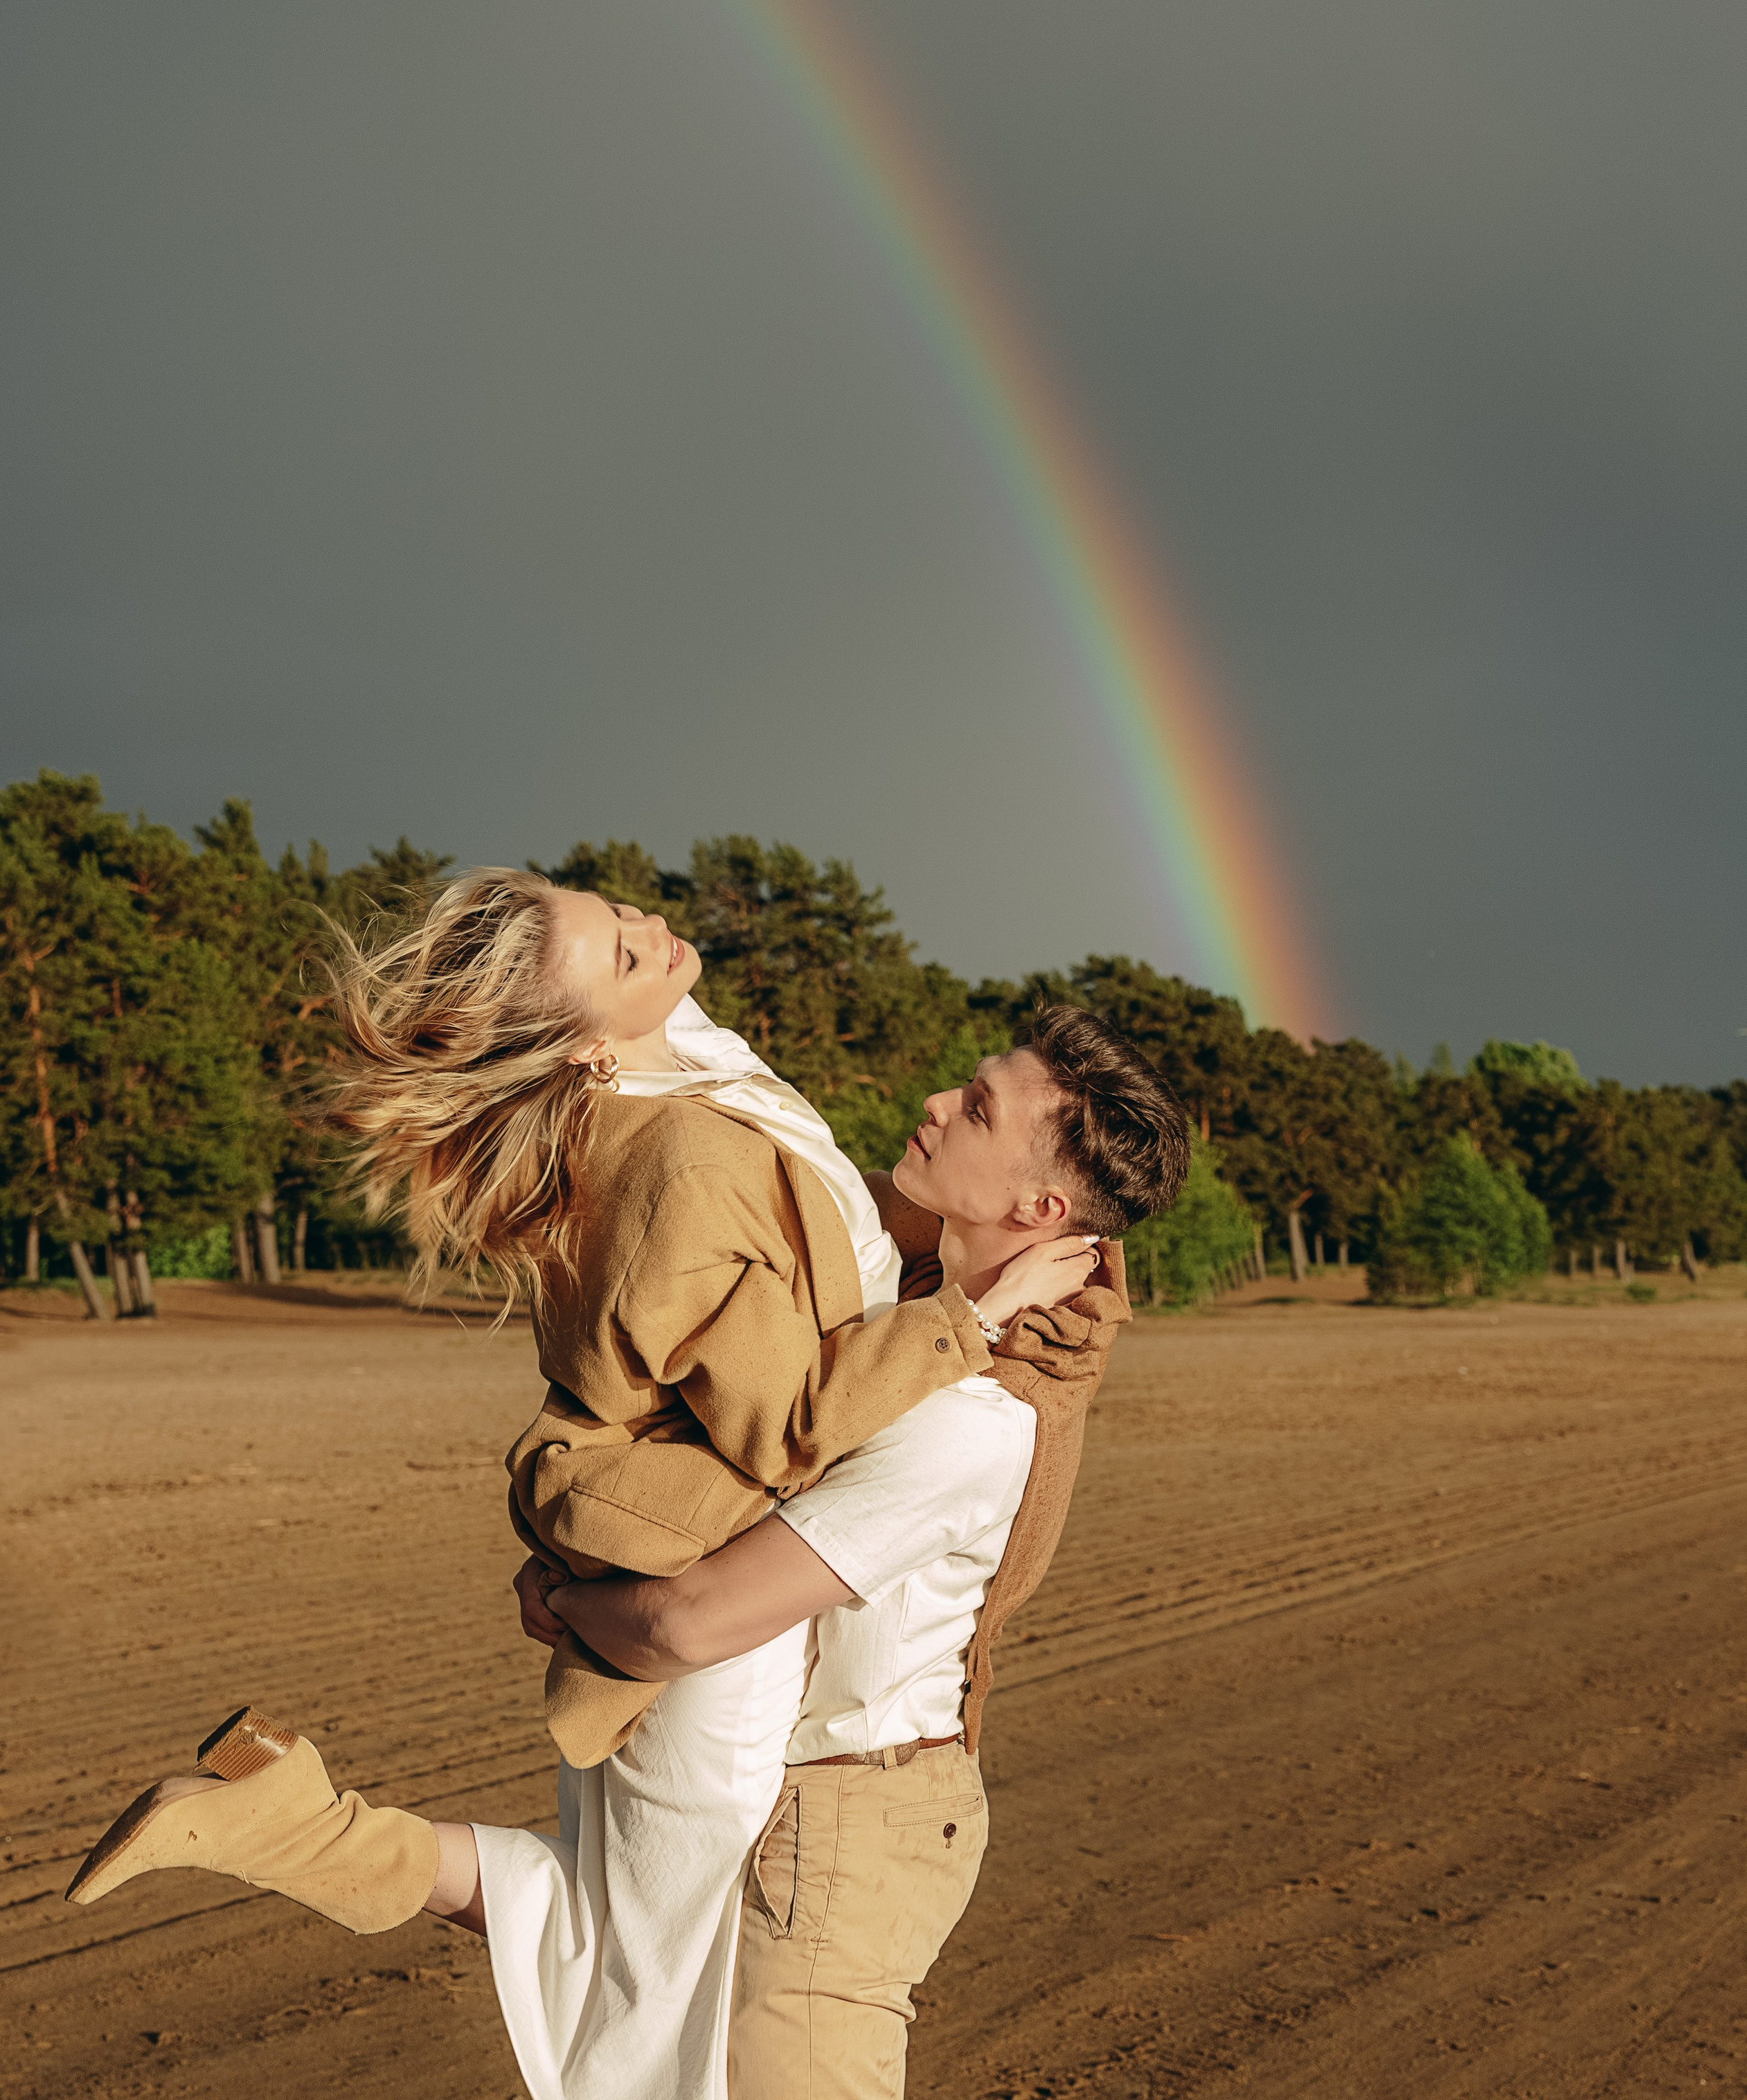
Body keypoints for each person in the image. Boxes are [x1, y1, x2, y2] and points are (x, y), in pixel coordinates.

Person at [64, 871, 1105, 2100]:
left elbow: (817, 1191)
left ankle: (292, 1821)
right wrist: (976, 1318)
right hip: (716, 1637)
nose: (652, 929)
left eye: (615, 908)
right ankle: (290, 1826)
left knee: (617, 1926)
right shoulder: (689, 1161)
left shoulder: (695, 1070)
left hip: (693, 1613)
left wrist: (1041, 1283)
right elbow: (786, 1427)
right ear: (585, 1048)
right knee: (647, 1976)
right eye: (620, 950)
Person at [520, 1006, 1189, 2098]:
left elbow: (689, 1623)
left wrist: (566, 1597)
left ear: (1042, 1209)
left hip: (845, 1831)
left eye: (978, 1109)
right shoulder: (903, 1296)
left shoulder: (971, 1418)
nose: (936, 1102)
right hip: (791, 1803)